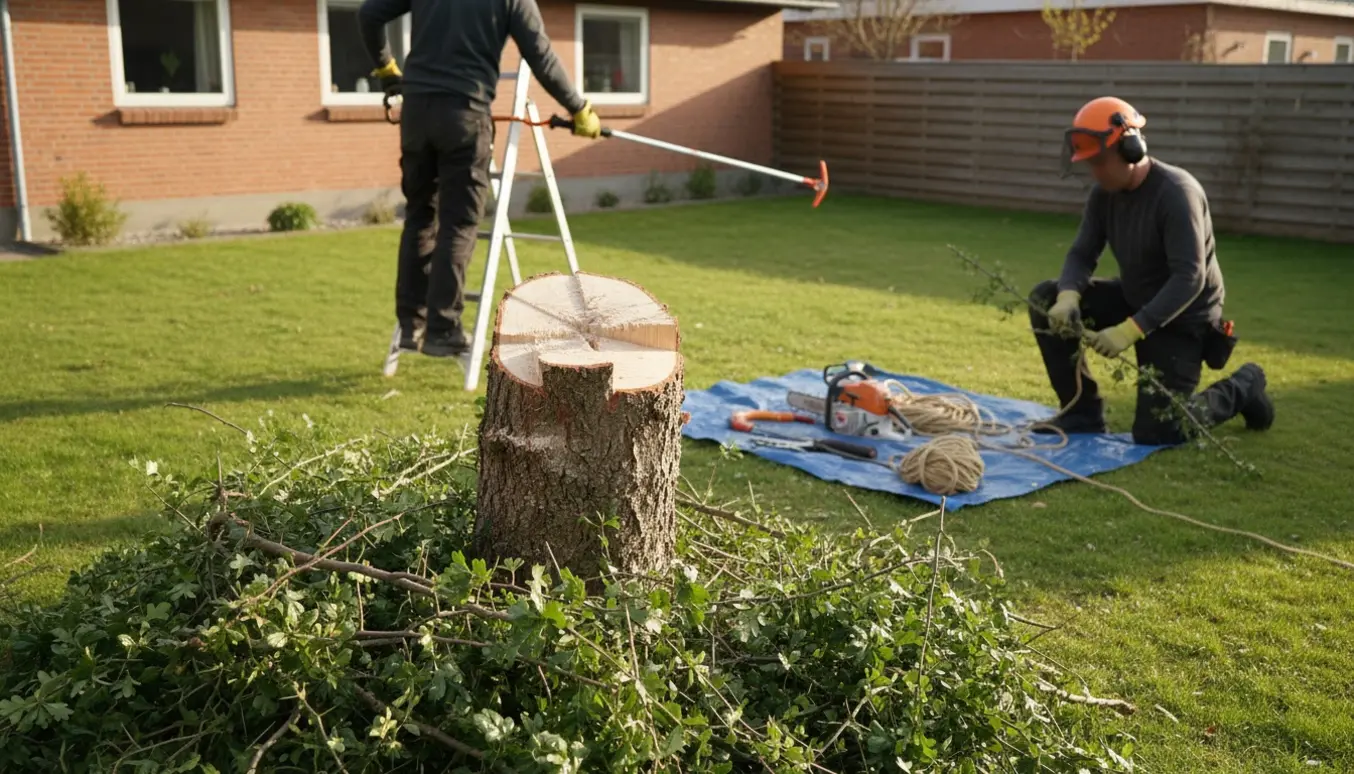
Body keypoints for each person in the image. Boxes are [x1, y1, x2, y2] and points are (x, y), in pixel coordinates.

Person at [357, 0, 602, 357]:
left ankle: (412, 324)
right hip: (464, 115)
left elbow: (369, 14)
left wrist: (387, 70)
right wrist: (579, 109)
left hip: (416, 113)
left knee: (420, 216)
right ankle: (442, 329)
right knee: (458, 223)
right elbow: (541, 56)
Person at [1028, 96, 1274, 445]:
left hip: (1184, 316)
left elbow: (1190, 277)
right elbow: (1083, 252)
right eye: (1089, 164)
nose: (1095, 171)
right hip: (1137, 297)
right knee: (1045, 297)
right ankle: (1081, 412)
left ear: (1131, 147)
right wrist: (1068, 296)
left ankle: (1246, 384)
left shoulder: (1177, 193)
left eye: (1100, 161)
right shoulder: (1104, 195)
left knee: (1161, 430)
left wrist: (1129, 331)